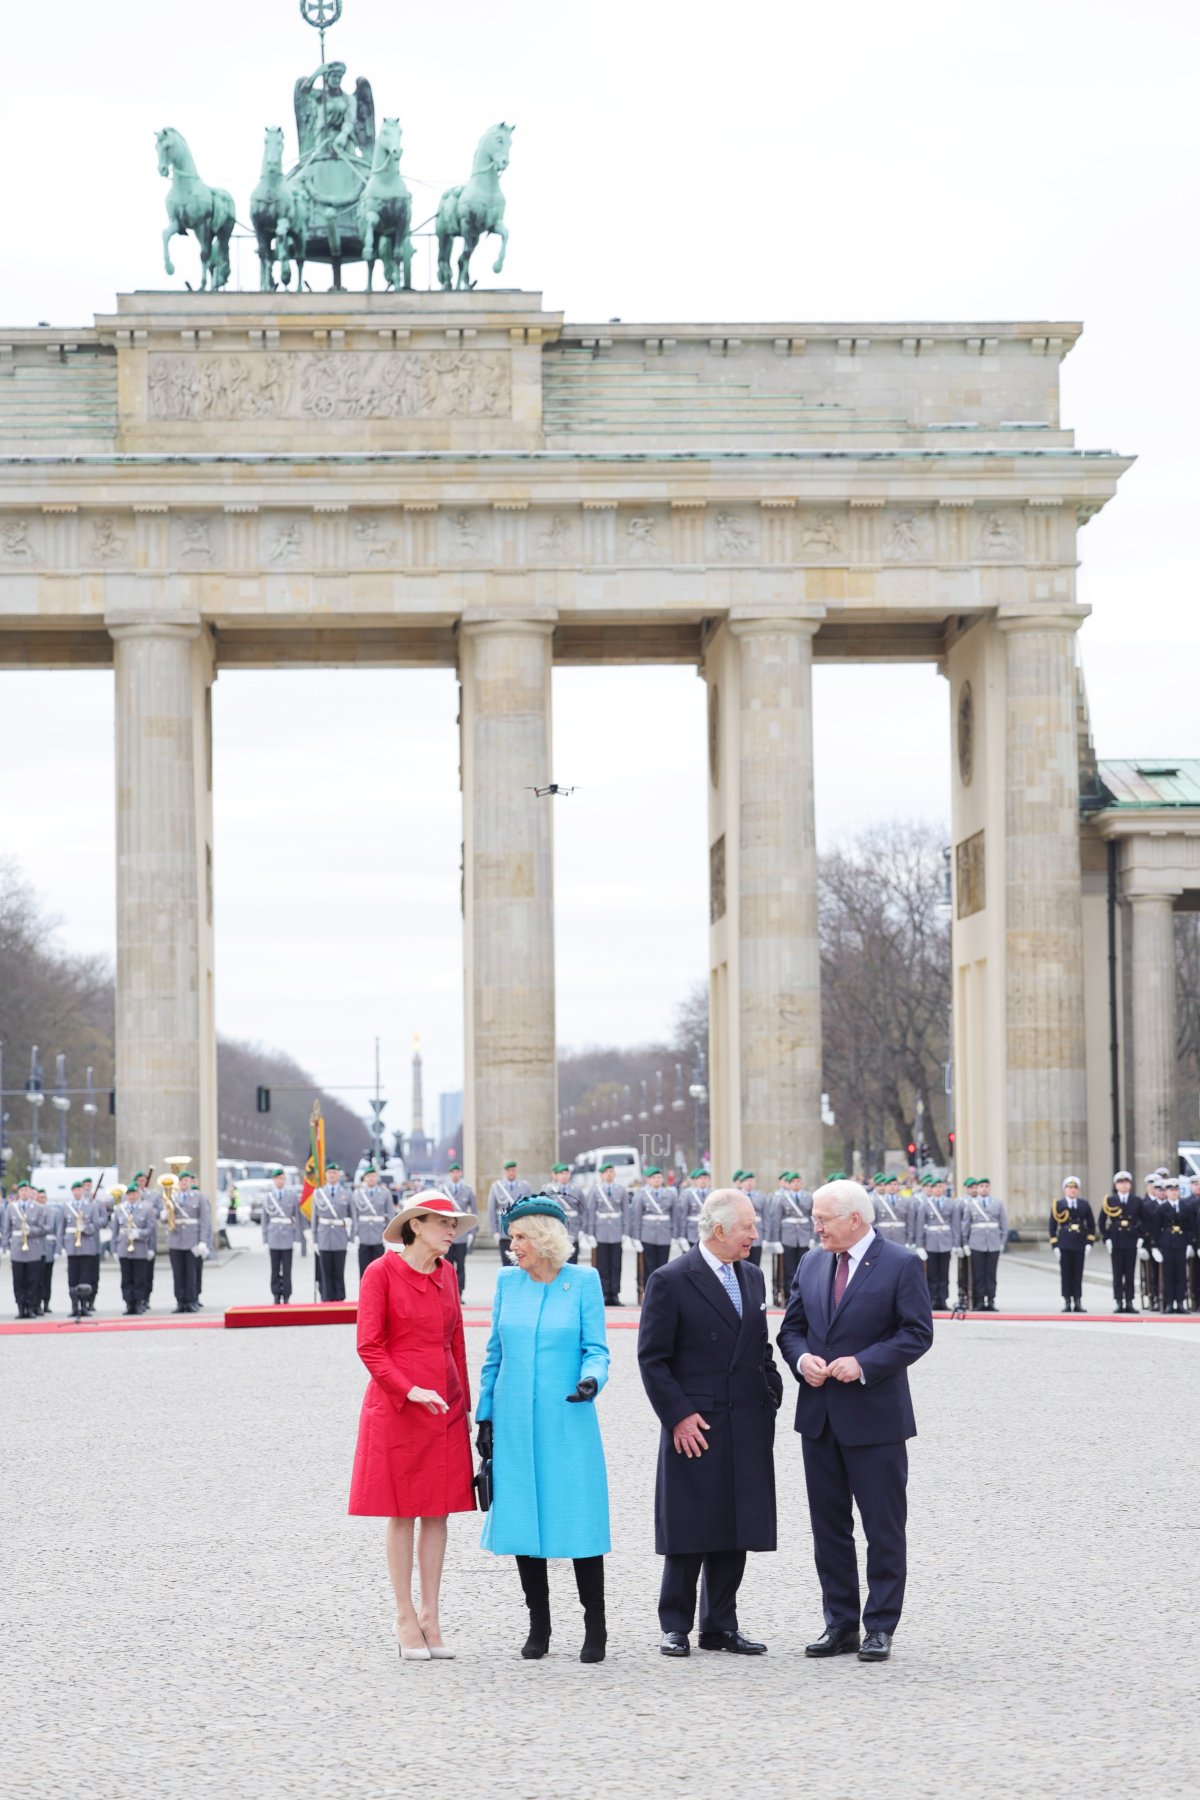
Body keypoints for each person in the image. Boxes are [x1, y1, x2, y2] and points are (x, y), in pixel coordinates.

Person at [778, 1178, 934, 1664]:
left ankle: (880, 1625)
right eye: (814, 1218)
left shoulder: (901, 1264)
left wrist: (864, 1363)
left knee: (883, 1527)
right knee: (829, 1527)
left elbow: (917, 1333)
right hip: (820, 1418)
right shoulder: (812, 1261)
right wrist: (802, 1361)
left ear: (855, 1219)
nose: (815, 1227)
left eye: (823, 1219)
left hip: (875, 1420)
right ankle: (840, 1622)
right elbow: (792, 1329)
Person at [637, 1188, 782, 1658]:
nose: (754, 1235)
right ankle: (675, 1623)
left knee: (734, 1523)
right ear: (719, 1230)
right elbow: (653, 1359)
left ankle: (720, 1624)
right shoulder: (672, 1279)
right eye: (747, 1228)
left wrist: (772, 1388)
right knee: (690, 1523)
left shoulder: (754, 1276)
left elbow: (759, 1345)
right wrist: (677, 1415)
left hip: (746, 1418)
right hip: (696, 1422)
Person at [475, 1193, 610, 1663]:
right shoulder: (508, 1283)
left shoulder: (583, 1281)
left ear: (543, 1238)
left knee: (577, 1518)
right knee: (524, 1520)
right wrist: (484, 1418)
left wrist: (592, 1379)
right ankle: (540, 1625)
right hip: (513, 1422)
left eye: (520, 1237)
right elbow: (494, 1355)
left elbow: (597, 1348)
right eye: (512, 1237)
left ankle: (596, 1625)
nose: (513, 1246)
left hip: (567, 1418)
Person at [348, 1190, 478, 1660]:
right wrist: (408, 1389)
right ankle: (404, 1615)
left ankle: (431, 1615)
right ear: (415, 1226)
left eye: (454, 1225)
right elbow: (370, 1346)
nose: (451, 1231)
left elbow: (456, 1341)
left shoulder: (448, 1273)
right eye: (443, 1223)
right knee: (402, 1510)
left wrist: (464, 1406)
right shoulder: (379, 1272)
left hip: (444, 1407)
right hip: (398, 1406)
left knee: (439, 1510)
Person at [1, 1179, 50, 1319]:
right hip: (17, 1248)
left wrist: (32, 1230)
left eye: (26, 1190)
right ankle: (21, 1307)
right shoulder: (11, 1208)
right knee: (18, 1279)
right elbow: (6, 1229)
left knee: (33, 1279)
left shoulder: (38, 1208)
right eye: (21, 1190)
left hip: (33, 1247)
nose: (24, 1193)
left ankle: (30, 1307)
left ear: (30, 1192)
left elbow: (45, 1228)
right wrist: (4, 1246)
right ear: (19, 1192)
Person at [164, 1171, 211, 1314]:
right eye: (181, 1181)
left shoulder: (199, 1197)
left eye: (186, 1180)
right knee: (178, 1272)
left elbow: (204, 1221)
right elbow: (166, 1218)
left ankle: (191, 1301)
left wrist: (203, 1241)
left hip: (192, 1240)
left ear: (190, 1182)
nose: (183, 1183)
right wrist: (164, 1214)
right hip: (176, 1239)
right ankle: (180, 1301)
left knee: (191, 1272)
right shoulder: (171, 1197)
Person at [1048, 1177, 1096, 1313]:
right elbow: (1052, 1226)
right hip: (1064, 1243)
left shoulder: (1084, 1205)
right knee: (1066, 1274)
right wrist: (1055, 1245)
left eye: (1074, 1188)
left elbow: (1091, 1225)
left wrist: (1089, 1243)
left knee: (1077, 1273)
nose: (1072, 1190)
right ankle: (1067, 1300)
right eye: (1069, 1188)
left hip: (1079, 1243)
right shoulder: (1058, 1205)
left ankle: (1078, 1300)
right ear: (1065, 1190)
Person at [584, 1160, 628, 1305]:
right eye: (606, 1172)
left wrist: (626, 1232)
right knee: (602, 1265)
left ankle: (614, 1294)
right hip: (601, 1230)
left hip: (616, 1230)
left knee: (616, 1264)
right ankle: (603, 1293)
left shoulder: (621, 1190)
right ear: (602, 1175)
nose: (609, 1175)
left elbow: (626, 1212)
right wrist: (590, 1232)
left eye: (611, 1172)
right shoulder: (596, 1190)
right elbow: (590, 1211)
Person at [961, 1176, 1008, 1311]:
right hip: (977, 1243)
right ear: (977, 1188)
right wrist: (965, 1243)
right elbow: (966, 1225)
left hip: (993, 1243)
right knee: (978, 1274)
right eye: (981, 1186)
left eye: (986, 1186)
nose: (984, 1189)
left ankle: (991, 1300)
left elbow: (1003, 1224)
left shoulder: (997, 1203)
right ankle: (979, 1300)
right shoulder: (971, 1204)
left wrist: (1002, 1242)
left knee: (991, 1274)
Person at [1099, 1171, 1143, 1314]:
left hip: (1131, 1240)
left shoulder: (1136, 1200)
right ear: (1116, 1185)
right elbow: (1101, 1221)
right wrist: (1107, 1238)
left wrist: (1140, 1237)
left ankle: (1129, 1301)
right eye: (1120, 1183)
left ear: (1130, 1185)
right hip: (1116, 1240)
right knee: (1117, 1273)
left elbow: (1144, 1220)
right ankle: (1118, 1301)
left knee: (1130, 1273)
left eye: (1126, 1182)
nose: (1123, 1185)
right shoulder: (1110, 1200)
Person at [629, 1167, 674, 1300]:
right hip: (647, 1235)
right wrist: (636, 1237)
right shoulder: (642, 1195)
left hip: (664, 1234)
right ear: (648, 1180)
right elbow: (636, 1216)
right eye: (654, 1177)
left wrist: (676, 1235)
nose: (657, 1180)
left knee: (664, 1266)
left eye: (659, 1177)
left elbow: (675, 1216)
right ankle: (649, 1293)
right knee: (649, 1266)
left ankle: (663, 1293)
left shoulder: (670, 1194)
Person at [112, 1183, 157, 1315]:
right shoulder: (119, 1209)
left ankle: (138, 1303)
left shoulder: (147, 1209)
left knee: (139, 1278)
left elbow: (151, 1229)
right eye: (129, 1194)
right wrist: (114, 1249)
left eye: (134, 1193)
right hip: (123, 1247)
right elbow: (114, 1231)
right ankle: (128, 1303)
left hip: (140, 1248)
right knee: (126, 1278)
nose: (131, 1196)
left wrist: (139, 1234)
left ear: (139, 1194)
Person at [262, 1167, 305, 1304]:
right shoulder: (268, 1197)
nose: (280, 1181)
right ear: (274, 1180)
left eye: (282, 1179)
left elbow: (297, 1217)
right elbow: (265, 1219)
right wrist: (265, 1238)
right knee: (274, 1268)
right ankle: (276, 1294)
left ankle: (286, 1294)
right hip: (273, 1235)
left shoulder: (291, 1196)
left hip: (287, 1236)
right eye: (277, 1179)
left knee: (287, 1268)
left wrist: (298, 1238)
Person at [63, 1178, 105, 1317]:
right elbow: (61, 1228)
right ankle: (74, 1306)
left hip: (87, 1247)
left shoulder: (90, 1206)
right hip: (72, 1248)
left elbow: (97, 1224)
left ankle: (85, 1305)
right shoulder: (66, 1207)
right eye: (74, 1190)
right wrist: (61, 1246)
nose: (77, 1192)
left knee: (85, 1278)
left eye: (79, 1189)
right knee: (72, 1279)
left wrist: (85, 1228)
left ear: (82, 1190)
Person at [313, 1161, 354, 1301]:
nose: (332, 1175)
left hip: (340, 1237)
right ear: (325, 1175)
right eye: (329, 1173)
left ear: (338, 1175)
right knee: (325, 1271)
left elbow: (352, 1215)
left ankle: (339, 1297)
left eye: (335, 1173)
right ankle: (326, 1297)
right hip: (323, 1236)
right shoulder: (318, 1193)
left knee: (338, 1270)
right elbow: (314, 1218)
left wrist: (351, 1237)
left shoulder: (347, 1194)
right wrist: (314, 1239)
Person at [440, 1162, 478, 1297]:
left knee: (460, 1266)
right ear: (450, 1174)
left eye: (457, 1172)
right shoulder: (444, 1190)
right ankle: (448, 1293)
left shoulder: (467, 1190)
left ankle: (459, 1293)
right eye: (453, 1172)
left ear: (460, 1173)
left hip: (462, 1233)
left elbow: (474, 1211)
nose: (455, 1174)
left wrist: (472, 1232)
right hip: (447, 1235)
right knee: (446, 1265)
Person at [1155, 1177, 1193, 1313]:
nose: (1173, 1193)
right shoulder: (1162, 1208)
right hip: (1167, 1244)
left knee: (1181, 1275)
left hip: (1181, 1243)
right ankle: (1169, 1303)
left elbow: (1190, 1226)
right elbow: (1156, 1228)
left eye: (1176, 1190)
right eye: (1171, 1190)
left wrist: (1189, 1243)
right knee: (1168, 1274)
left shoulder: (1185, 1207)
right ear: (1167, 1192)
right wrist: (1156, 1247)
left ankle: (1180, 1302)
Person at [487, 1159, 530, 1267]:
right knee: (506, 1264)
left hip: (521, 1231)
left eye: (513, 1170)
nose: (511, 1172)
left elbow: (530, 1208)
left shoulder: (525, 1186)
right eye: (509, 1170)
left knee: (522, 1263)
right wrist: (495, 1231)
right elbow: (491, 1210)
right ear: (505, 1172)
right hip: (504, 1231)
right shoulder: (497, 1187)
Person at [351, 1167, 390, 1280]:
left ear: (376, 1177)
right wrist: (354, 1234)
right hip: (363, 1235)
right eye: (368, 1176)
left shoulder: (384, 1193)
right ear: (364, 1178)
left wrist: (388, 1233)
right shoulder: (358, 1194)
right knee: (363, 1270)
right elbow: (354, 1215)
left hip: (379, 1234)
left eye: (373, 1176)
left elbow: (390, 1214)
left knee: (379, 1269)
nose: (371, 1178)